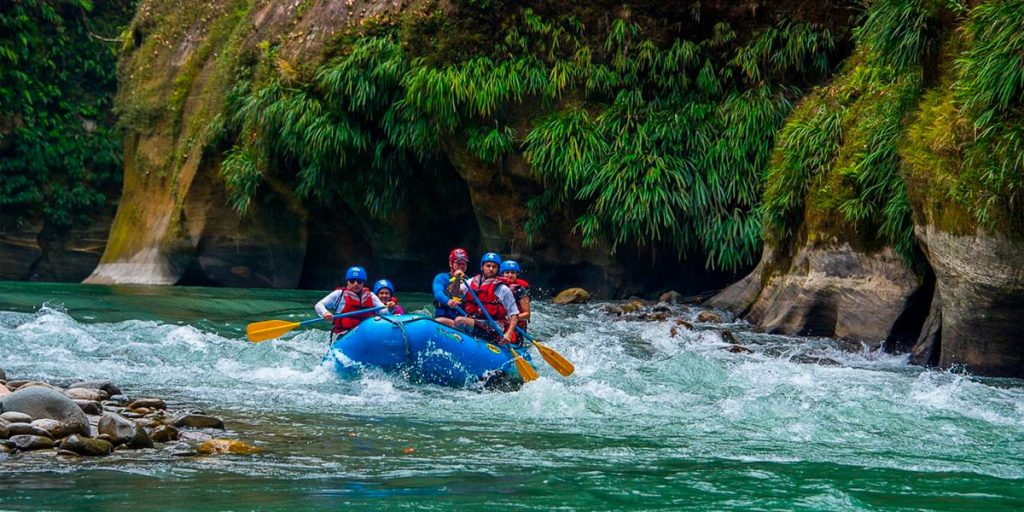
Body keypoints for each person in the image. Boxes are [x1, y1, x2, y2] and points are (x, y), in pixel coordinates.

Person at [457, 252, 519, 344]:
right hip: (474, 321)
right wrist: (457, 280)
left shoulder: (503, 289)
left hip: (493, 328)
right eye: (488, 266)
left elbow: (514, 315)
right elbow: (453, 293)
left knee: (459, 320)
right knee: (442, 321)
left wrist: (508, 334)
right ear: (482, 267)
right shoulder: (470, 282)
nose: (491, 269)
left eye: (494, 267)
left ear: (498, 270)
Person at [314, 266, 387, 340]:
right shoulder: (339, 294)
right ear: (347, 281)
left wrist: (390, 308)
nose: (355, 284)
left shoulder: (371, 295)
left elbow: (383, 312)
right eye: (352, 281)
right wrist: (325, 313)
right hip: (343, 335)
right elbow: (319, 305)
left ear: (363, 282)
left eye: (359, 281)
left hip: (365, 334)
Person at [432, 248, 470, 327]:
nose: (462, 266)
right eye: (458, 263)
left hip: (460, 320)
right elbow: (438, 294)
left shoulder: (470, 281)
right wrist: (448, 301)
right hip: (443, 317)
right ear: (450, 263)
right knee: (439, 321)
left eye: (464, 263)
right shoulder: (441, 278)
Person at [499, 260, 531, 332]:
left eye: (513, 272)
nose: (510, 275)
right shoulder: (497, 287)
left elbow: (527, 314)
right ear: (502, 274)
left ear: (516, 274)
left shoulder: (520, 290)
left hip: (516, 326)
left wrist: (511, 318)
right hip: (500, 323)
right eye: (507, 272)